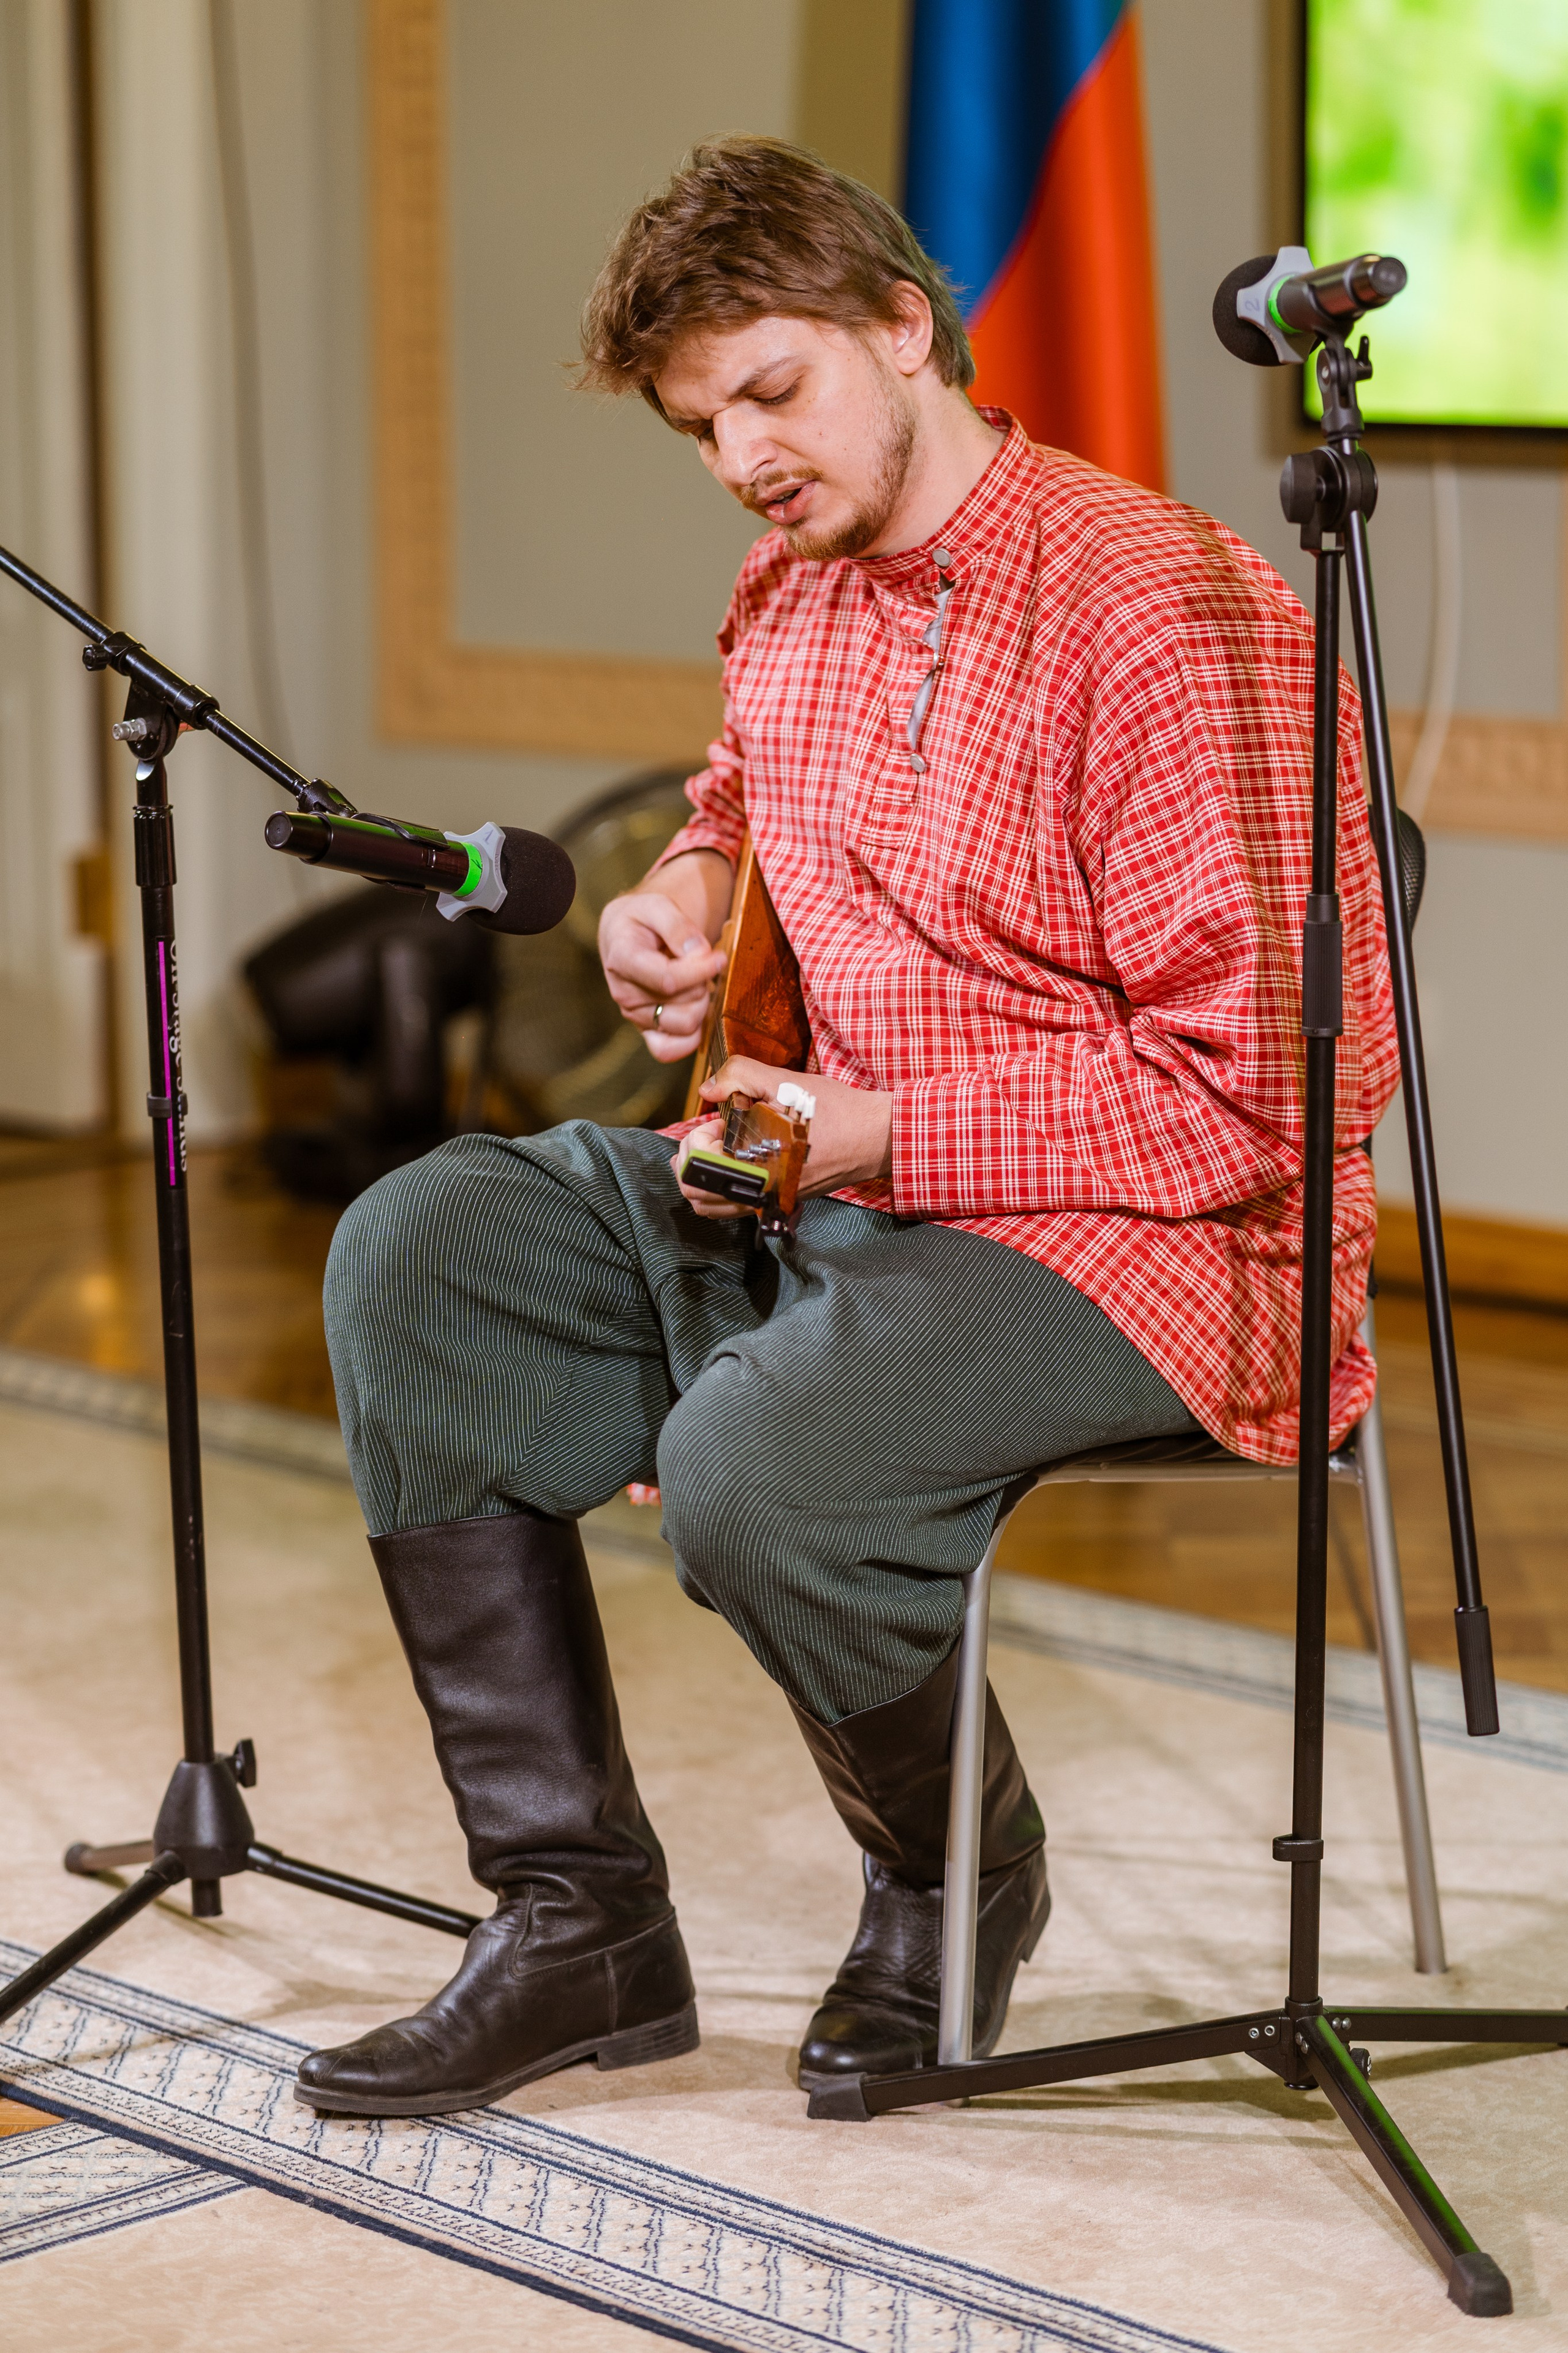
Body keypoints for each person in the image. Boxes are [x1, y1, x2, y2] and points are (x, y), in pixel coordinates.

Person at [295, 138, 1398, 2120]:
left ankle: (954, 1874)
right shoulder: (788, 580)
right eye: (700, 427)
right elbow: (738, 796)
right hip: (819, 1180)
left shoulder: (1161, 609)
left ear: (905, 326)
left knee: (759, 1460)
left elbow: (1276, 1091)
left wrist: (887, 1131)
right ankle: (577, 1917)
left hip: (1147, 1234)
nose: (742, 460)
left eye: (771, 392)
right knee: (419, 1252)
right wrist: (688, 898)